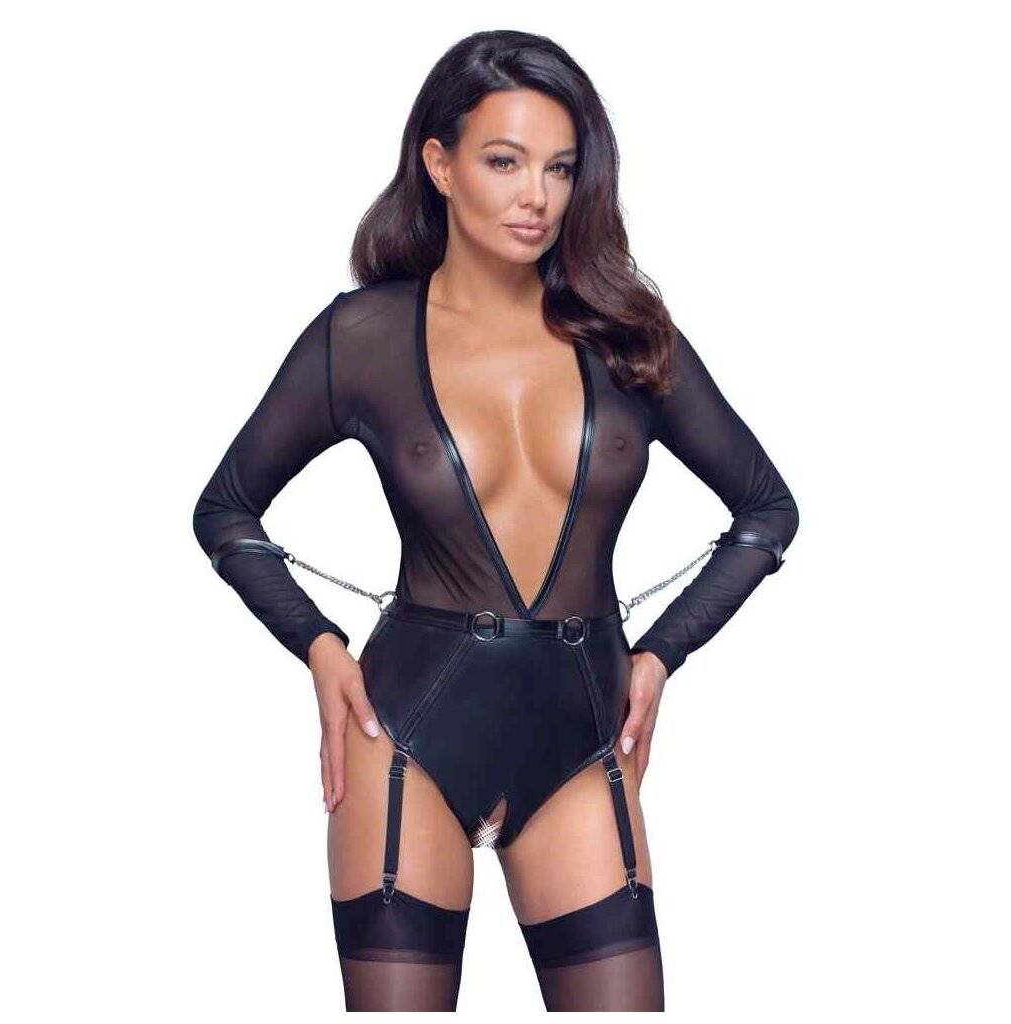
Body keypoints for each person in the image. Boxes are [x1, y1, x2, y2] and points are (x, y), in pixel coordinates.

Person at [192, 29, 799, 1012]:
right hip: (406, 732)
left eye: (560, 167)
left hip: (583, 734)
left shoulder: (629, 338)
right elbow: (226, 509)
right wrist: (319, 645)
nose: (538, 197)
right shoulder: (363, 336)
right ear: (439, 164)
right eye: (505, 162)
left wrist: (658, 655)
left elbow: (766, 510)